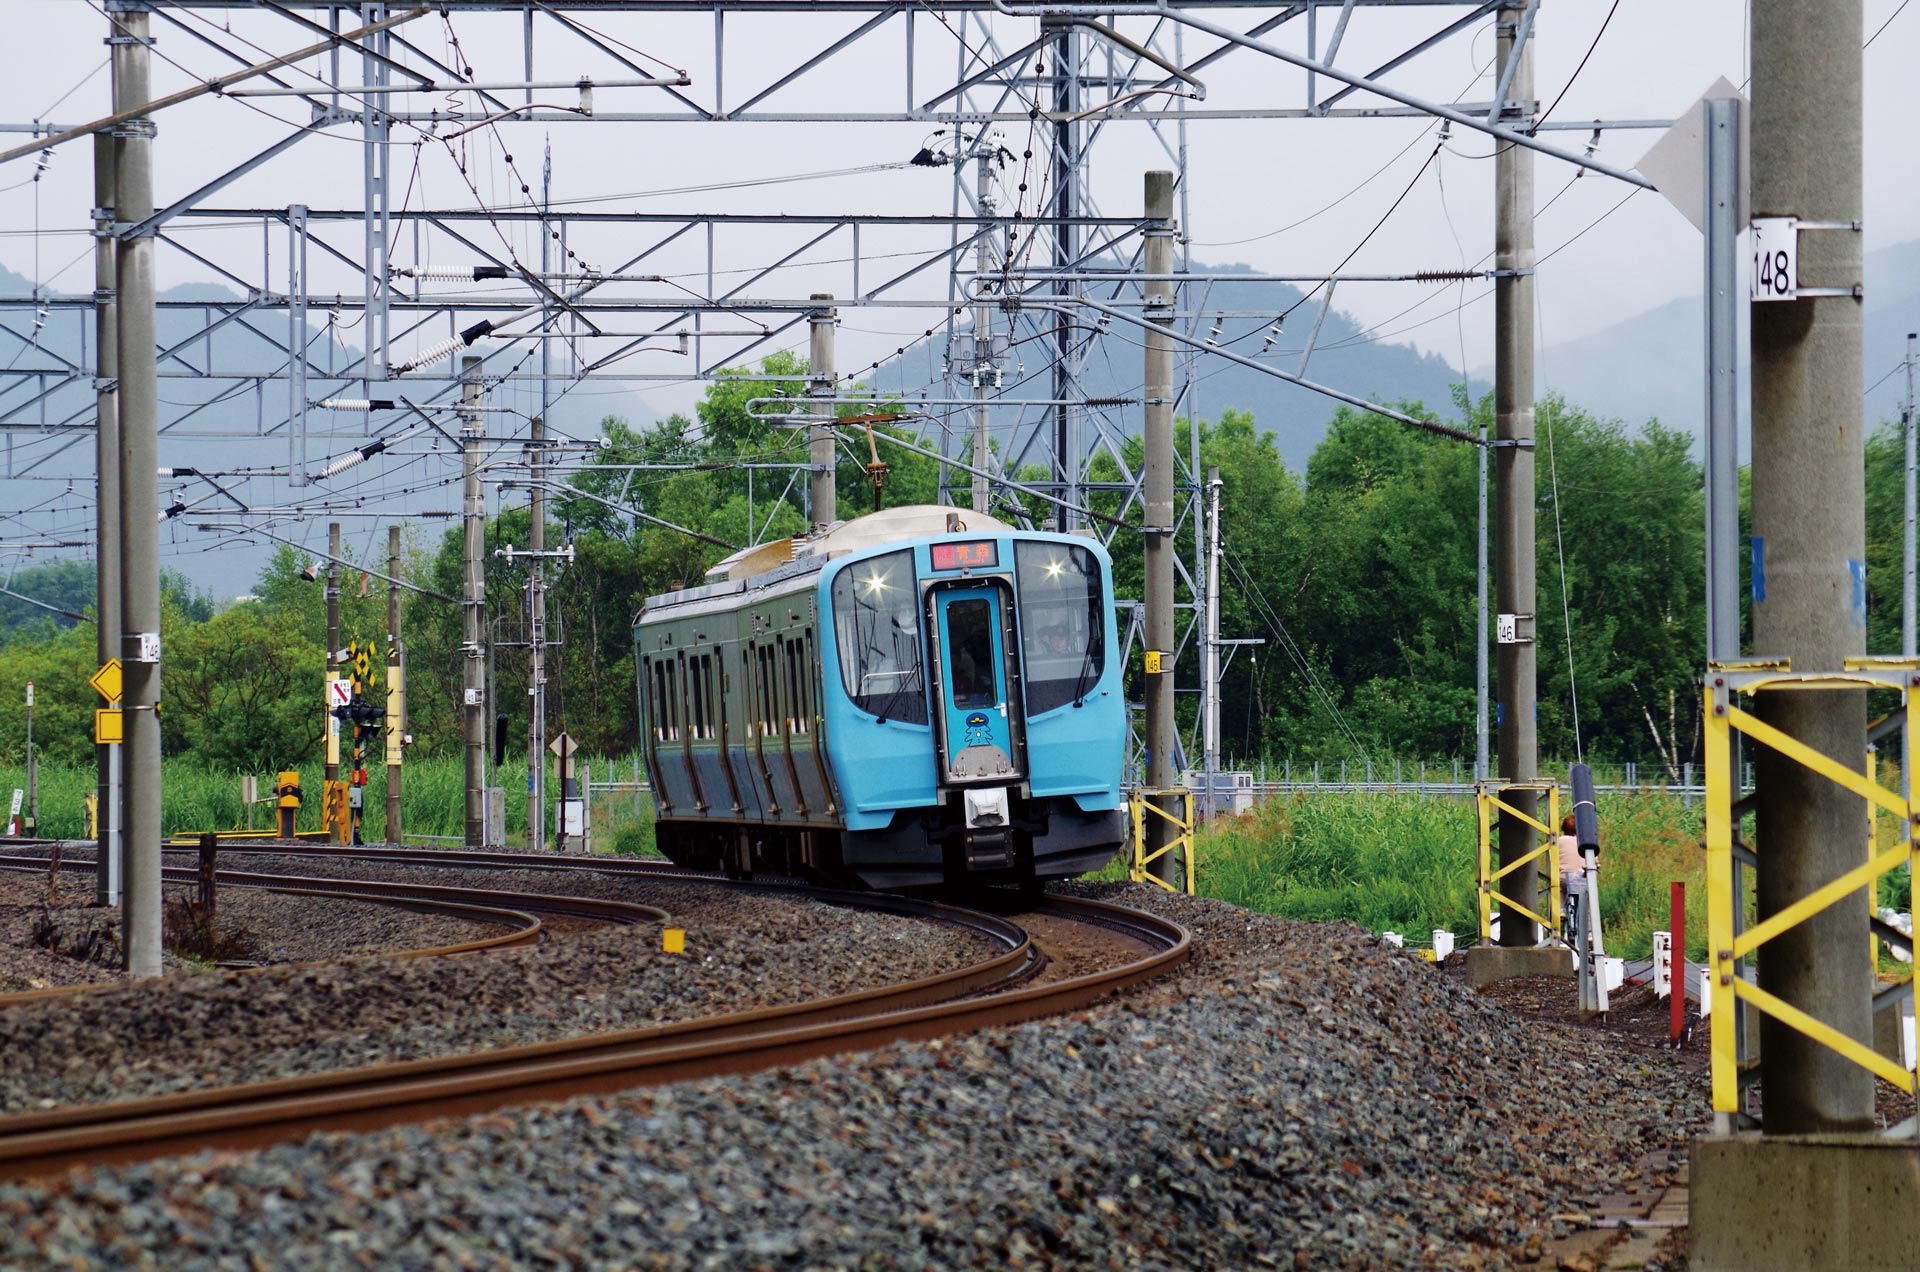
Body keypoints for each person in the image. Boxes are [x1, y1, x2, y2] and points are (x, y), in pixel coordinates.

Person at [1557, 814, 1585, 943]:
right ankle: (1589, 933)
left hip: (1563, 876)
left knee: (1559, 888)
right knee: (1587, 904)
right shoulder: (1584, 841)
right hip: (1580, 877)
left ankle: (1561, 910)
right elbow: (1594, 860)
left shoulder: (1558, 841)